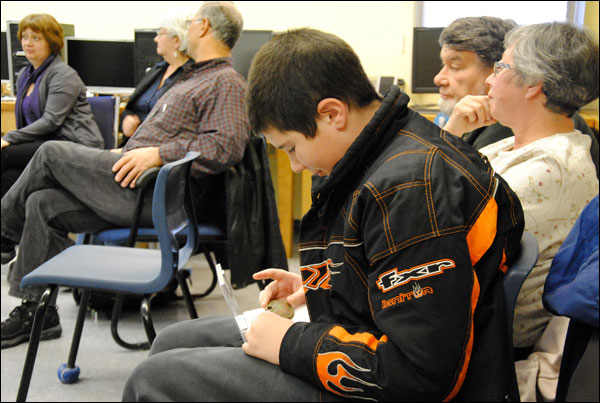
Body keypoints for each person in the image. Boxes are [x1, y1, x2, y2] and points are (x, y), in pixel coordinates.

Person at [123, 28, 525, 402]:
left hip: (394, 385)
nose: (295, 166)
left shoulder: (411, 189)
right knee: (173, 342)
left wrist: (287, 344)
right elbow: (392, 265)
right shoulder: (389, 150)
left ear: (333, 113)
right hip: (365, 336)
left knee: (154, 379)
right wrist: (321, 280)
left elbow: (419, 374)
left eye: (292, 148)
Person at [0, 1, 249, 349]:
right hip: (131, 188)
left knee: (50, 153)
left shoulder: (225, 82)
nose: (184, 28)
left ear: (203, 27)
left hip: (154, 198)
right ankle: (36, 314)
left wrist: (158, 153)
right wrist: (134, 149)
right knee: (42, 203)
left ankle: (2, 232)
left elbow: (227, 147)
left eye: (190, 22)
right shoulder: (191, 78)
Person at [445, 22, 598, 399]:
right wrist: (454, 129)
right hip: (459, 313)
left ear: (533, 85)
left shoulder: (548, 170)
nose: (489, 82)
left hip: (478, 344)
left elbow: (430, 231)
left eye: (500, 68)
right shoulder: (513, 147)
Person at [434, 17, 599, 178]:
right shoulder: (510, 134)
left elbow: (437, 190)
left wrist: (448, 137)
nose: (438, 79)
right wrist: (451, 134)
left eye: (455, 66)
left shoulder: (521, 128)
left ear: (530, 78)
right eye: (443, 64)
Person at [1, 14, 103, 204]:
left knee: (4, 155)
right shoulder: (25, 74)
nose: (28, 43)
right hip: (44, 144)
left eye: (36, 38)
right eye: (24, 37)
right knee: (7, 179)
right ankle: (11, 232)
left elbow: (51, 121)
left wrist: (9, 139)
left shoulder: (63, 75)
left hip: (71, 145)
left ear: (51, 42)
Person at [118, 9, 194, 147]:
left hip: (153, 152)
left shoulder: (192, 77)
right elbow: (132, 107)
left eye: (161, 33)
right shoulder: (157, 70)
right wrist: (127, 118)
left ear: (176, 40)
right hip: (130, 146)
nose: (155, 38)